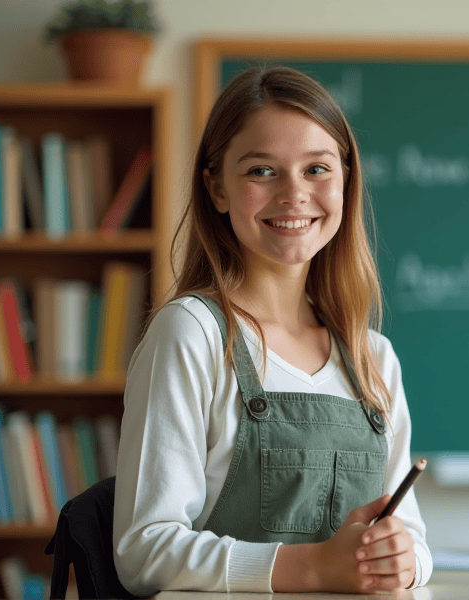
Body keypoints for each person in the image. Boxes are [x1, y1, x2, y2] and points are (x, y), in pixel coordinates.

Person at [113, 65, 432, 595]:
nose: (294, 194)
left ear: (346, 183)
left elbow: (415, 541)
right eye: (262, 171)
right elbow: (143, 551)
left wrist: (406, 560)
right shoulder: (191, 334)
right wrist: (312, 567)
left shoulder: (372, 355)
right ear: (216, 188)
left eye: (317, 169)